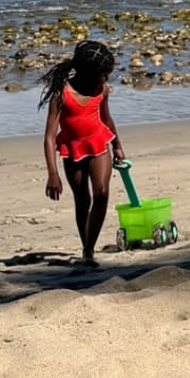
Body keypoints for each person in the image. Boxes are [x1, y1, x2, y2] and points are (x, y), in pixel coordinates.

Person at [41, 39, 124, 264]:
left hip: (99, 144)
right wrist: (52, 173)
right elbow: (50, 136)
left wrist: (117, 146)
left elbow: (107, 119)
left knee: (102, 192)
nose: (106, 79)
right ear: (88, 73)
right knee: (82, 199)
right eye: (103, 74)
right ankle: (86, 245)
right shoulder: (61, 93)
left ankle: (89, 249)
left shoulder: (102, 90)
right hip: (72, 149)